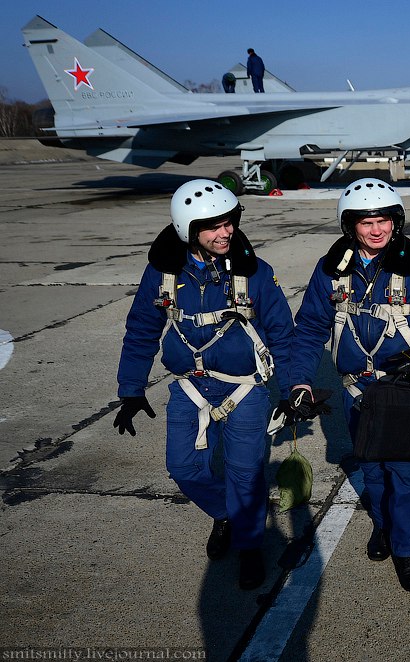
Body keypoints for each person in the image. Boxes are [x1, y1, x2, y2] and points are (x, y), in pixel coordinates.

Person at [114, 179, 295, 590]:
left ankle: (249, 545)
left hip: (244, 388)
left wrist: (292, 389)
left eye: (229, 222)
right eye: (213, 226)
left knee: (245, 472)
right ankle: (225, 513)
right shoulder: (163, 274)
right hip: (189, 388)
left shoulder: (255, 273)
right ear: (188, 229)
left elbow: (283, 335)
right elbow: (141, 330)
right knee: (183, 468)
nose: (226, 232)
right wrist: (131, 388)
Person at [288, 178, 410, 592]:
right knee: (372, 470)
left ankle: (405, 550)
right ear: (350, 226)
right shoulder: (331, 271)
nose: (377, 230)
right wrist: (299, 382)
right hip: (357, 392)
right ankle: (382, 526)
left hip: (401, 390)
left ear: (396, 222)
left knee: (404, 474)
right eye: (366, 222)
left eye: (383, 220)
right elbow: (309, 330)